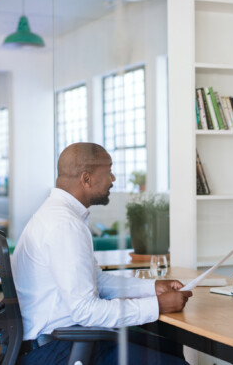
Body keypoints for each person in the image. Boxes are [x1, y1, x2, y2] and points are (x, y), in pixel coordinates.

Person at [11, 142, 192, 365]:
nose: (113, 179)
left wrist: (152, 288)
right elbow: (85, 311)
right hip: (59, 349)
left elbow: (96, 281)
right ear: (86, 179)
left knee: (168, 345)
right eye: (108, 171)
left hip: (65, 339)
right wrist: (158, 305)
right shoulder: (64, 225)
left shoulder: (58, 215)